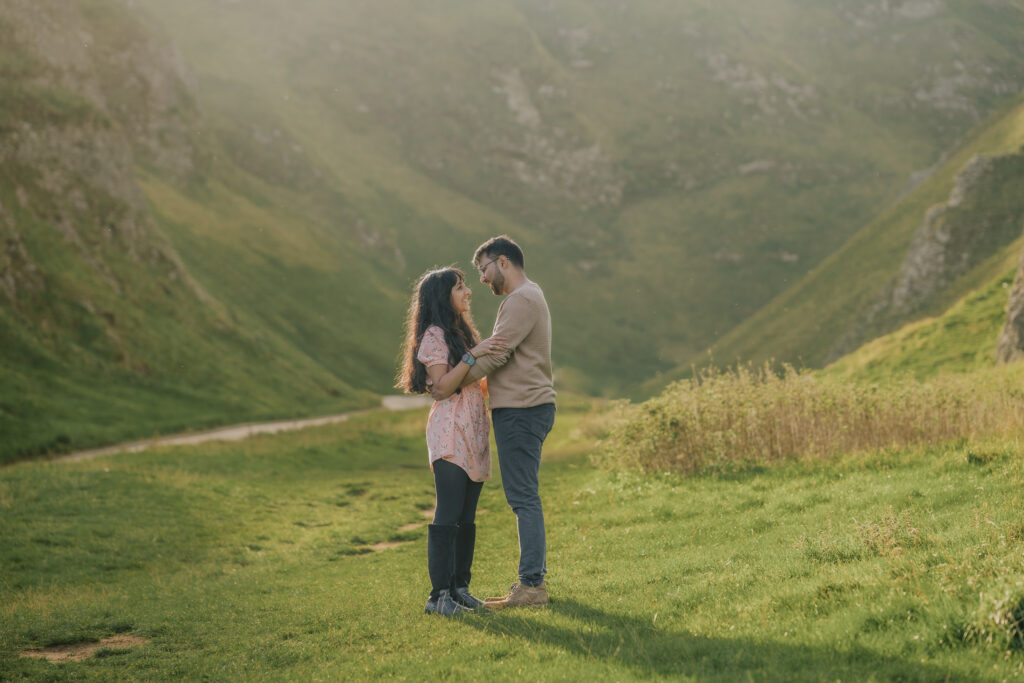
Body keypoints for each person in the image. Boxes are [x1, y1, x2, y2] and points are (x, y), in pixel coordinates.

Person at [437, 235, 556, 610]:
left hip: (522, 409)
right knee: (524, 495)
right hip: (525, 407)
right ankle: (532, 582)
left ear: (502, 262)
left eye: (483, 269)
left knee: (523, 496)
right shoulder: (529, 296)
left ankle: (532, 586)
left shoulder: (520, 300)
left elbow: (497, 354)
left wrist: (451, 381)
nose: (483, 279)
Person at [397, 267, 508, 616]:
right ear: (442, 295)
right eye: (460, 287)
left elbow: (472, 379)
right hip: (450, 431)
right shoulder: (434, 335)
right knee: (448, 513)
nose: (468, 292)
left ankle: (460, 589)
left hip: (473, 429)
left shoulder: (460, 331)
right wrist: (473, 357)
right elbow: (441, 388)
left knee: (467, 516)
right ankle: (438, 596)